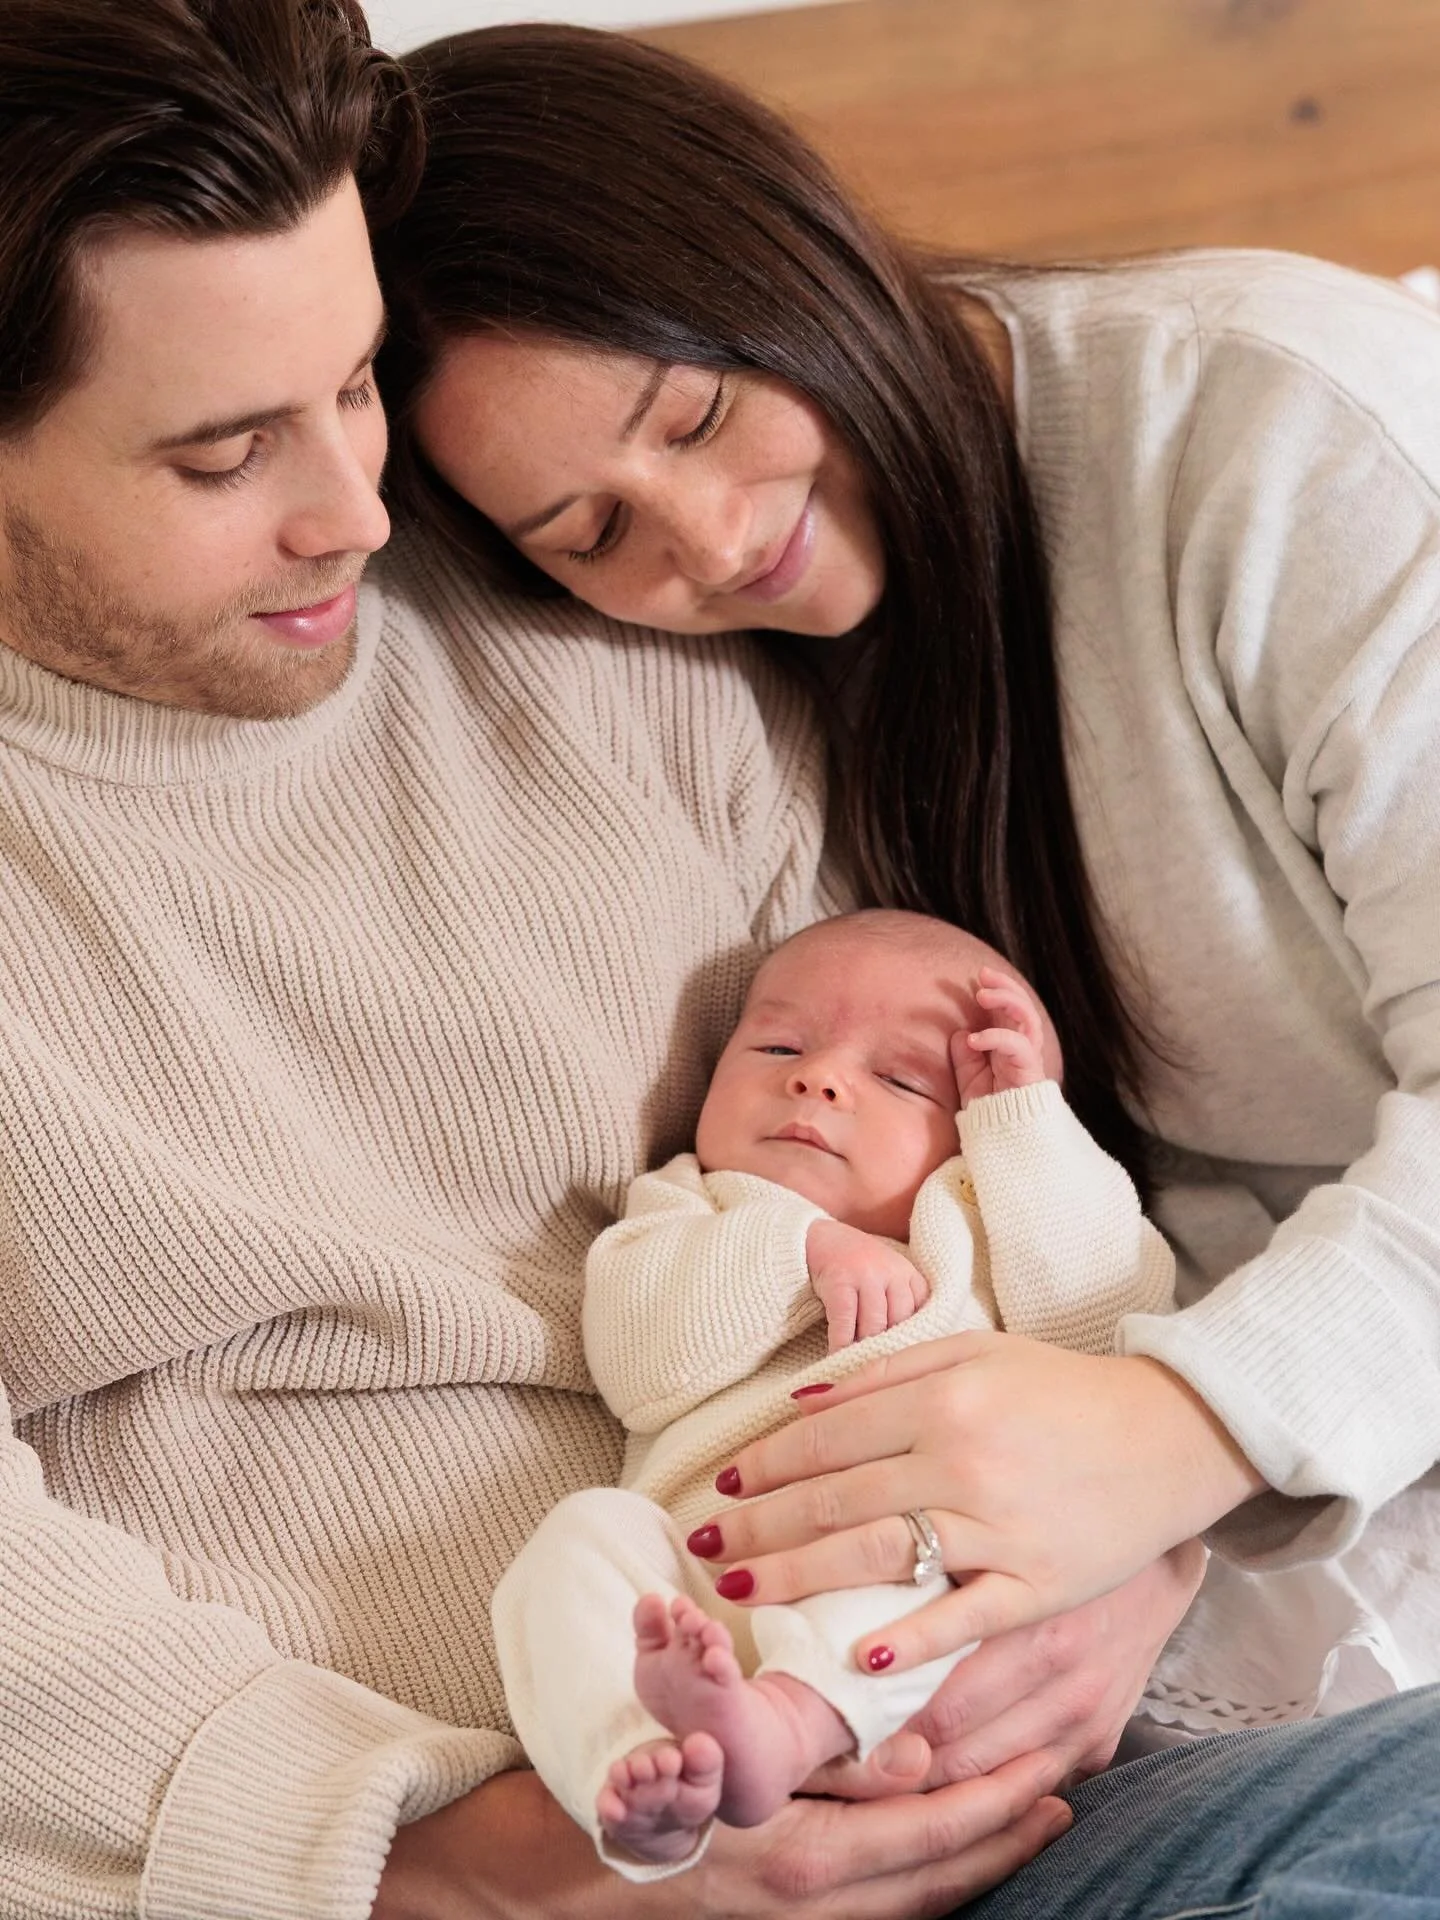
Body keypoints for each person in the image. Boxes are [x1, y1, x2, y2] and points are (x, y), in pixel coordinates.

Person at [368, 19, 1440, 1915]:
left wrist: (1178, 1442)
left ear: (790, 248)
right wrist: (1144, 1542)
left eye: (696, 417)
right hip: (1174, 1555)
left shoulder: (1274, 442)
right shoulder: (720, 702)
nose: (706, 540)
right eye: (588, 529)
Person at [494, 909, 1175, 1878]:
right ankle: (637, 1773)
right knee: (572, 1545)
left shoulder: (983, 1222)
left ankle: (787, 1719)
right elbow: (642, 1366)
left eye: (900, 1079)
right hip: (702, 1583)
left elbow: (1099, 1326)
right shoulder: (694, 1207)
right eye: (778, 1043)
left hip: (909, 1580)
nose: (816, 1079)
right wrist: (798, 1252)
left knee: (924, 1552)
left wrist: (1028, 1133)